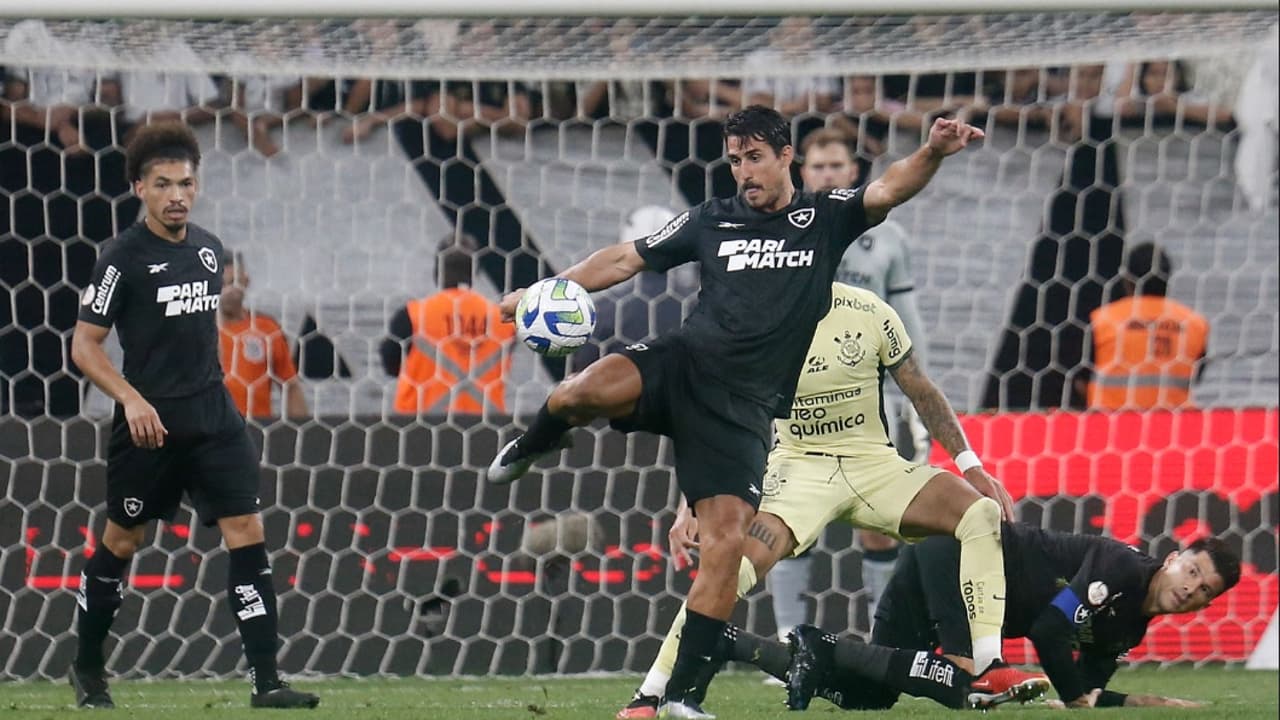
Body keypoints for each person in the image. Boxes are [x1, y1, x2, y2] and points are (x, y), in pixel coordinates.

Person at [483, 103, 1009, 718]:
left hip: (745, 410)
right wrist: (542, 292)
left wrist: (934, 152)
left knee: (725, 552)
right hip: (688, 364)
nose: (744, 172)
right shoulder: (712, 220)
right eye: (734, 161)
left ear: (788, 155)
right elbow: (624, 258)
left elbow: (891, 187)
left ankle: (673, 698)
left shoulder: (828, 220)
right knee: (579, 390)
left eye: (754, 157)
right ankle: (533, 444)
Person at [615, 278, 1047, 719]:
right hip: (798, 469)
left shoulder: (870, 311)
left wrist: (971, 465)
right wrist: (689, 505)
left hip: (873, 463)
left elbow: (920, 389)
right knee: (730, 565)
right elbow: (714, 416)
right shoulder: (751, 324)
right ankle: (649, 697)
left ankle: (988, 665)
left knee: (980, 512)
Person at [67, 122, 318, 709]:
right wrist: (130, 398)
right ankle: (86, 667)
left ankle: (266, 682)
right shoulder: (120, 260)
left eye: (185, 182)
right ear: (139, 189)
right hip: (148, 425)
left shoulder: (209, 250)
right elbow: (84, 345)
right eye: (163, 184)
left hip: (214, 418)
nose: (177, 194)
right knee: (121, 542)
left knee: (248, 533)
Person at [764, 525, 1240, 710]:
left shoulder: (1130, 626)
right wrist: (1073, 698)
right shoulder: (1120, 568)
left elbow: (1086, 691)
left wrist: (1137, 700)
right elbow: (1049, 632)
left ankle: (791, 651)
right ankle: (808, 645)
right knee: (964, 683)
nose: (1190, 588)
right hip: (952, 558)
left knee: (871, 695)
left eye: (1204, 590)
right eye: (1192, 571)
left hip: (938, 576)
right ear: (1174, 557)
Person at [766, 129, 932, 648]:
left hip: (868, 397)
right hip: (796, 392)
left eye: (837, 165)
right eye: (818, 167)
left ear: (854, 172)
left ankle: (886, 639)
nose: (828, 175)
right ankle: (789, 640)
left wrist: (917, 400)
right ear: (802, 172)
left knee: (879, 523)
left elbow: (906, 320)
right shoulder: (783, 230)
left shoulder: (888, 238)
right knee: (789, 518)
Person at [381, 246, 515, 415]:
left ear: (438, 272)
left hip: (416, 430)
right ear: (475, 273)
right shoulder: (503, 320)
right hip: (485, 428)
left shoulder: (412, 315)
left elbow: (390, 364)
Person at [1076, 243, 1209, 410]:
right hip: (1173, 425)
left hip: (1110, 425)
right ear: (1167, 278)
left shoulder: (1102, 321)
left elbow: (1080, 382)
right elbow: (1196, 378)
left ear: (1127, 280)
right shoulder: (1194, 324)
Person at [218, 251, 308, 419]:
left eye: (233, 283)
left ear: (246, 281)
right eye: (221, 284)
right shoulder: (196, 331)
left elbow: (291, 386)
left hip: (256, 432)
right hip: (212, 435)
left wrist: (299, 434)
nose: (228, 291)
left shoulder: (266, 329)